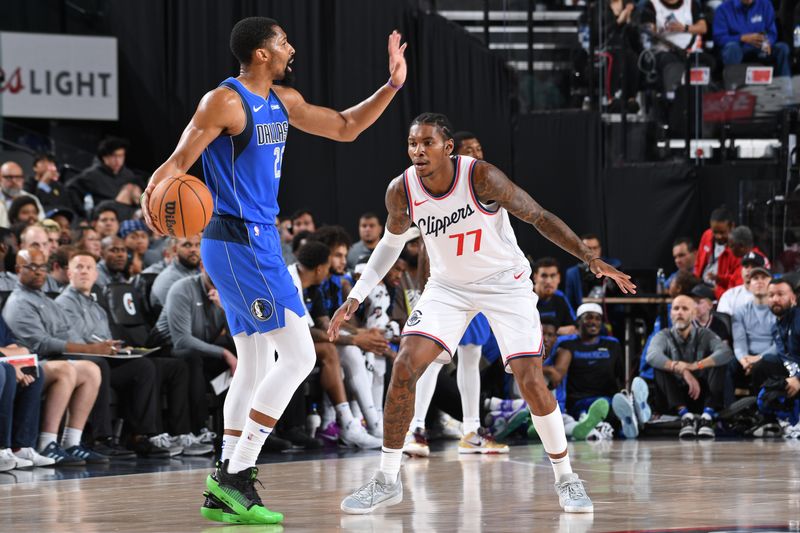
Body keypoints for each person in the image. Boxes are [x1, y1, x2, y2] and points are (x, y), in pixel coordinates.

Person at [140, 17, 408, 525]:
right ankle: (235, 476)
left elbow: (346, 127)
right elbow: (178, 162)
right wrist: (152, 205)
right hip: (237, 238)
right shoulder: (224, 101)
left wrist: (391, 85)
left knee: (258, 362)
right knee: (301, 355)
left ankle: (224, 486)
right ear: (261, 53)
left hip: (260, 240)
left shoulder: (284, 101)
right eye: (282, 41)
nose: (291, 47)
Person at [331, 112, 635, 515]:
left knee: (530, 379)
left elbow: (539, 217)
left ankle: (567, 478)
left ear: (448, 147)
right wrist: (357, 295)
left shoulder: (481, 178)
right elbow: (389, 244)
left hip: (504, 284)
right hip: (448, 287)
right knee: (404, 366)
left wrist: (590, 258)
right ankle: (387, 479)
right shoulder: (401, 190)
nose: (417, 151)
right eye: (412, 144)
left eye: (427, 143)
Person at [645, 295, 733, 439]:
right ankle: (685, 417)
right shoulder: (663, 335)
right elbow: (652, 356)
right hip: (675, 397)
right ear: (670, 313)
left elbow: (726, 352)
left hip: (701, 395)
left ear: (693, 314)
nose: (679, 312)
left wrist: (695, 366)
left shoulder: (704, 334)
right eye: (676, 308)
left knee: (718, 362)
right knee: (660, 367)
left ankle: (707, 417)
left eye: (685, 309)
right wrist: (682, 369)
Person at [712, 0, 790, 77]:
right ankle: (733, 85)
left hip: (760, 47)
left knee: (782, 48)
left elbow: (772, 33)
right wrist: (742, 38)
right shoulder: (723, 9)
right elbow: (719, 38)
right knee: (732, 48)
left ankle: (785, 86)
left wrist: (767, 42)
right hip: (739, 49)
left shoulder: (765, 4)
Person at [713, 225, 770, 299]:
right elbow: (734, 279)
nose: (729, 250)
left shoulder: (751, 263)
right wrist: (721, 279)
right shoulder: (756, 255)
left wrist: (716, 290)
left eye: (732, 246)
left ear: (741, 247)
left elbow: (735, 298)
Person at [149, 235, 201, 307]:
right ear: (174, 250)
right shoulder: (168, 279)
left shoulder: (196, 273)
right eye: (187, 245)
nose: (194, 249)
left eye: (198, 245)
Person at [533, 257, 577, 336]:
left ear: (559, 278)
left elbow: (572, 328)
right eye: (544, 276)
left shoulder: (560, 297)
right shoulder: (525, 297)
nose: (549, 281)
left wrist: (547, 333)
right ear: (535, 278)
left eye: (553, 276)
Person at [694, 206, 734, 288]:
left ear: (731, 227)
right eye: (715, 232)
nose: (718, 236)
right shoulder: (707, 235)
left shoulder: (736, 245)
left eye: (722, 232)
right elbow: (698, 262)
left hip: (720, 288)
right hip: (702, 283)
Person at [717, 251, 766, 315]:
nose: (749, 270)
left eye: (753, 267)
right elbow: (724, 320)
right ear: (741, 271)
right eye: (746, 267)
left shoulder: (769, 296)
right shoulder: (730, 295)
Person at [0, 161, 45, 228]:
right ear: (0, 178)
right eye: (9, 177)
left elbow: (41, 223)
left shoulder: (32, 199)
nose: (14, 181)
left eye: (18, 177)